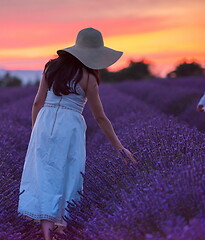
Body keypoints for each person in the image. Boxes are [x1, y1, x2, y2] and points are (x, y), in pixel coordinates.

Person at [17, 27, 138, 240]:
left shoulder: (51, 68)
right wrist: (120, 148)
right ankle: (60, 230)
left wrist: (37, 131)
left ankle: (46, 234)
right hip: (70, 126)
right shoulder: (89, 77)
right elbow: (100, 117)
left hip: (44, 122)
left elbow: (37, 102)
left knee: (44, 176)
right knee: (67, 176)